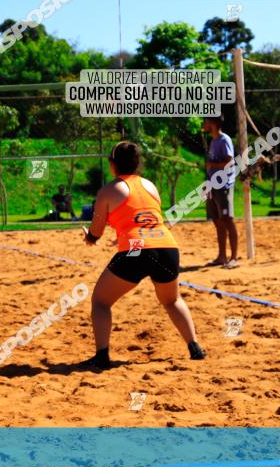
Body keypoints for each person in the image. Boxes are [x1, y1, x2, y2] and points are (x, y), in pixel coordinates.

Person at [82, 141, 206, 370]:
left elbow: (96, 231)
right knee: (172, 300)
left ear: (112, 164)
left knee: (100, 301)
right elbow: (143, 218)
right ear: (137, 163)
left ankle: (101, 356)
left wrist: (90, 238)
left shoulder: (108, 189)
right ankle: (195, 346)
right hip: (167, 246)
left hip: (137, 249)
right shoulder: (150, 185)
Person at [203, 116, 239, 269]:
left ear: (214, 124)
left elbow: (229, 161)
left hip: (223, 185)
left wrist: (212, 164)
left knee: (227, 220)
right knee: (217, 222)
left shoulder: (224, 139)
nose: (204, 124)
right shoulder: (213, 140)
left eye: (206, 122)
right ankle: (222, 257)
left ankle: (234, 258)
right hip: (213, 185)